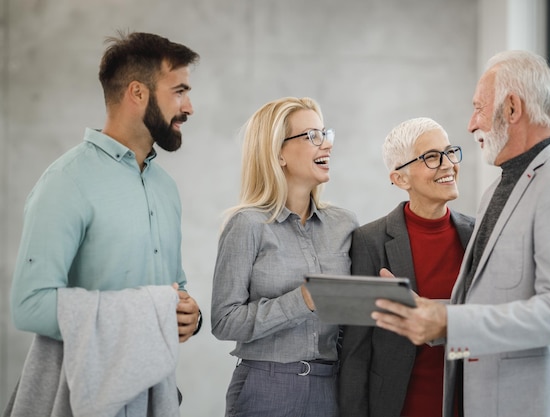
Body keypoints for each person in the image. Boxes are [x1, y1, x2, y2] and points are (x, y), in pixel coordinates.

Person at [370, 50, 550, 417]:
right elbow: (493, 301)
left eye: (479, 108)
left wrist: (448, 320)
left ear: (511, 109)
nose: (471, 123)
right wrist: (430, 312)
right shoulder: (496, 190)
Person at [6, 31, 202, 416]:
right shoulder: (67, 181)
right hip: (82, 397)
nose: (189, 106)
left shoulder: (165, 187)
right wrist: (145, 311)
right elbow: (28, 306)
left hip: (153, 395)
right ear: (138, 93)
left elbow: (172, 290)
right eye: (179, 91)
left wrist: (188, 316)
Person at [211, 96, 359, 417]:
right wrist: (301, 300)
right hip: (265, 388)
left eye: (326, 134)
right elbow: (223, 322)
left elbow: (349, 318)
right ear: (278, 153)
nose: (327, 145)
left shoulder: (344, 225)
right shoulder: (247, 224)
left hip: (330, 389)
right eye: (312, 136)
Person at [339, 117, 474, 417]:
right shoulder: (369, 241)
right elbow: (356, 351)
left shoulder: (478, 236)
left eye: (450, 152)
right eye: (431, 157)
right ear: (400, 179)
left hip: (468, 402)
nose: (448, 164)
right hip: (400, 406)